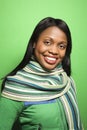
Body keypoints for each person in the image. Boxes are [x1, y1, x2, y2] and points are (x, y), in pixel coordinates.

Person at [0, 17, 83, 130]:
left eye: (61, 46)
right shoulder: (16, 87)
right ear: (34, 43)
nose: (54, 51)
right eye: (47, 42)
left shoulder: (67, 81)